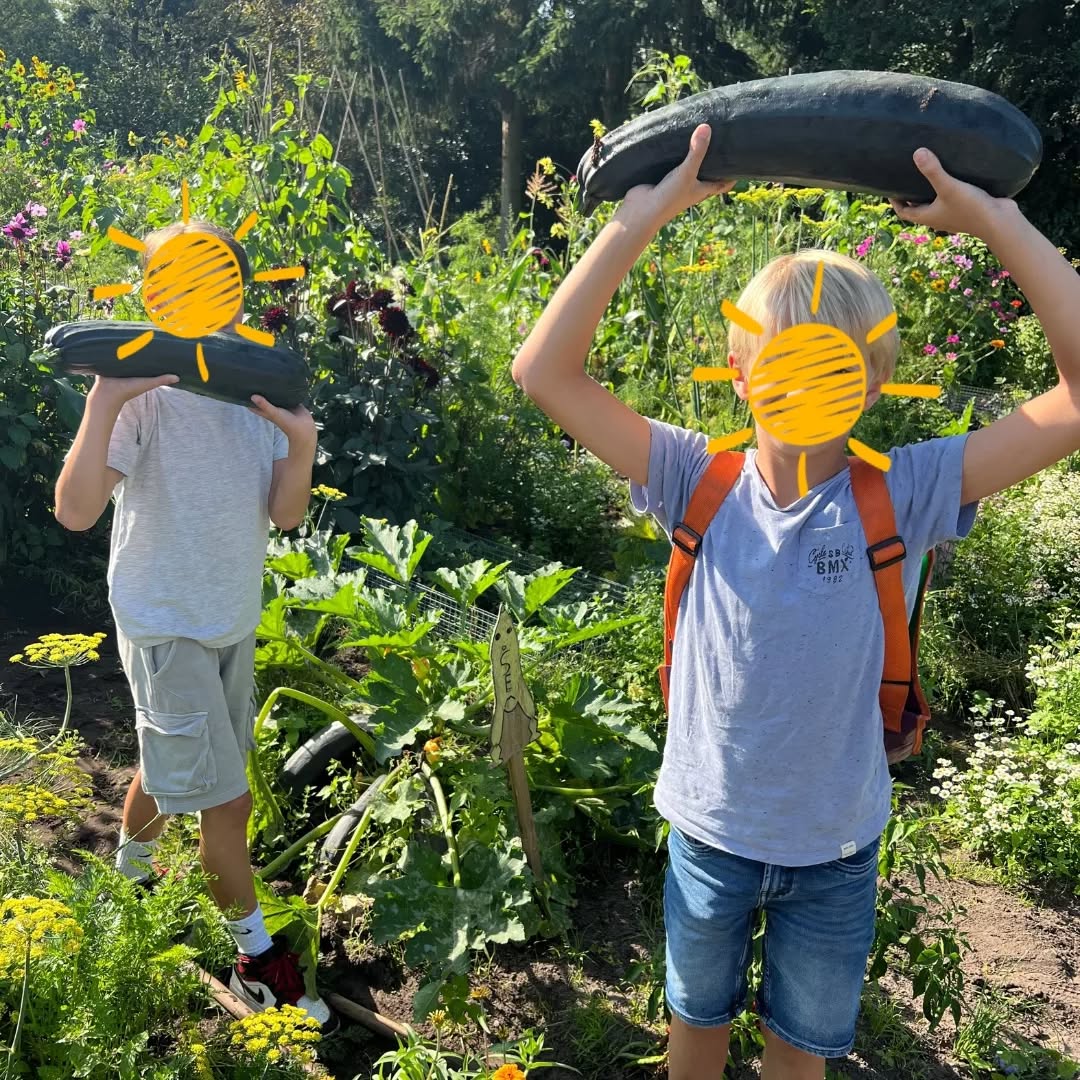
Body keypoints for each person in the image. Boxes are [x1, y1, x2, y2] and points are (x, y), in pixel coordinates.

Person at [512, 125, 1080, 1080]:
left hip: (835, 851)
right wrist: (637, 219)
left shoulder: (902, 490)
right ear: (739, 372)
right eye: (787, 360)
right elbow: (542, 374)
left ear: (874, 376)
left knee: (800, 1059)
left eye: (835, 361)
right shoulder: (692, 474)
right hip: (709, 836)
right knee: (691, 1041)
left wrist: (998, 223)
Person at [54, 219, 335, 1031]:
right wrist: (108, 396)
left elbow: (284, 516)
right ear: (152, 295)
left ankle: (130, 870)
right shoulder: (146, 399)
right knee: (227, 803)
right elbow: (74, 512)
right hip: (165, 619)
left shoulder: (255, 393)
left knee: (172, 755)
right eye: (174, 285)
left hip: (227, 619)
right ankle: (255, 961)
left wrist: (301, 443)